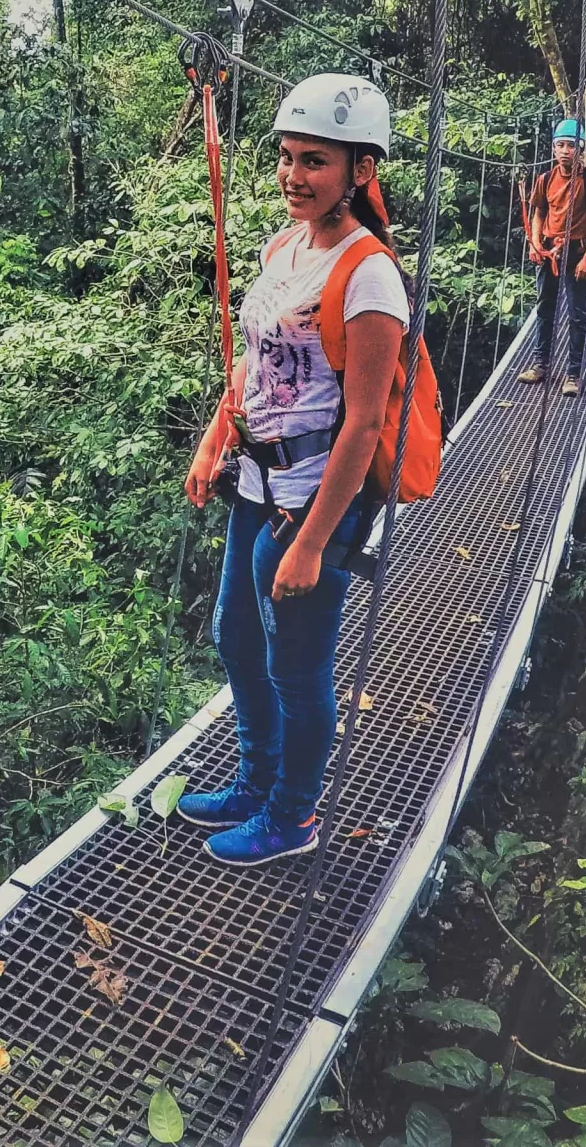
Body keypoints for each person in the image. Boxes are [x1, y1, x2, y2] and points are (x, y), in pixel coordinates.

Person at [180, 74, 409, 866]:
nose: (293, 175)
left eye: (315, 160)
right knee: (236, 638)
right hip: (256, 476)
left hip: (316, 498)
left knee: (298, 667)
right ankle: (256, 780)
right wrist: (217, 440)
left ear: (361, 172)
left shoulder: (370, 274)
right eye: (285, 157)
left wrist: (314, 542)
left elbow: (366, 421)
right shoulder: (283, 247)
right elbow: (253, 365)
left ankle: (292, 817)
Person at [517, 119, 586, 396]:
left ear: (580, 149)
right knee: (544, 308)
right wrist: (534, 243)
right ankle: (540, 364)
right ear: (554, 148)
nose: (565, 150)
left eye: (571, 145)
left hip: (576, 252)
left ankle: (573, 374)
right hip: (548, 251)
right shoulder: (545, 179)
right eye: (560, 145)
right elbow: (538, 213)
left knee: (576, 314)